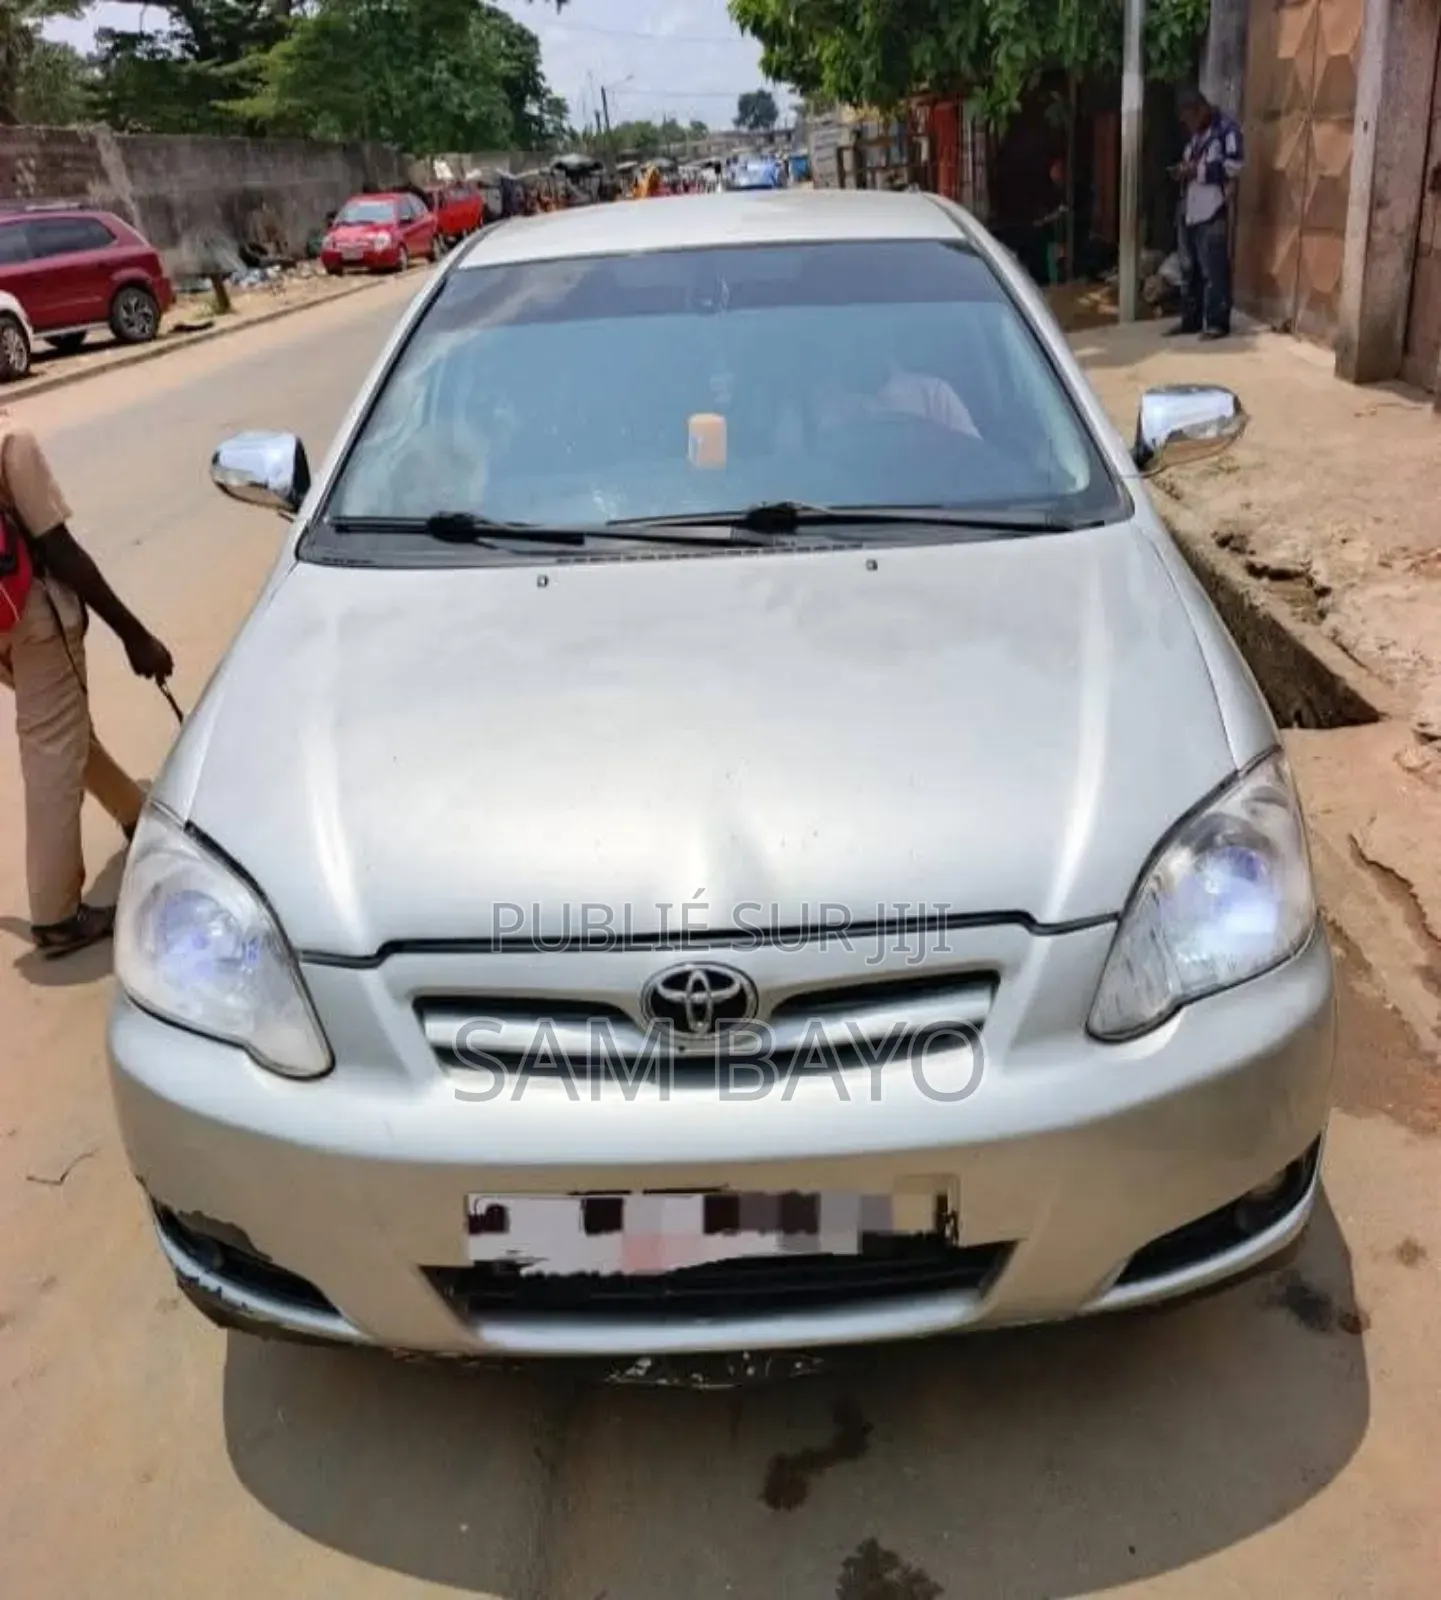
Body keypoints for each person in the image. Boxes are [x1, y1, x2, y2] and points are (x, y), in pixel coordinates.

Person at [0, 419, 173, 956]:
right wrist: (135, 635)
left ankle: (133, 812)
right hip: (35, 617)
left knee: (66, 726)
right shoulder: (10, 443)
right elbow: (59, 548)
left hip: (3, 625)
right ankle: (56, 914)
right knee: (54, 749)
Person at [1170, 85, 1245, 340]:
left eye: (1190, 119)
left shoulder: (1227, 130)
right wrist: (1182, 170)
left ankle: (1217, 323)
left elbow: (1234, 166)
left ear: (1200, 110)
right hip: (1190, 209)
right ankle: (1190, 320)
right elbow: (1191, 163)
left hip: (1213, 210)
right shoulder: (1196, 137)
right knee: (1189, 270)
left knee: (1214, 270)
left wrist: (1198, 172)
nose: (1188, 126)